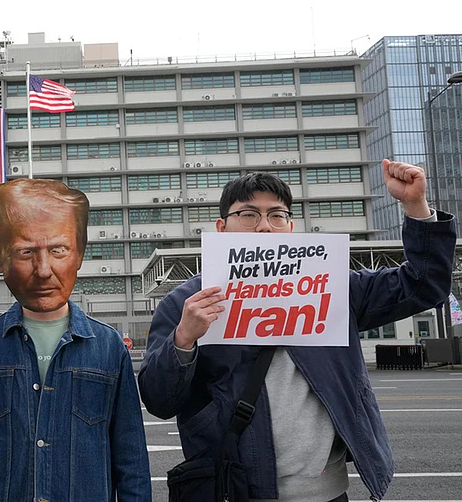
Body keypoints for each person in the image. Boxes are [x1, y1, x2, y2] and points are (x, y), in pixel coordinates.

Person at [138, 160, 457, 502]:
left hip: (329, 492)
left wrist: (415, 206)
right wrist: (183, 339)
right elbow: (158, 400)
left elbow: (423, 286)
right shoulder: (185, 302)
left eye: (277, 215)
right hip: (235, 488)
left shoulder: (330, 286)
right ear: (222, 227)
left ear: (290, 227)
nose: (264, 227)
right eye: (248, 215)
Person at [0, 179, 152, 501]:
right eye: (26, 252)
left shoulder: (108, 347)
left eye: (58, 250)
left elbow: (130, 456)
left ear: (79, 253)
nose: (43, 270)